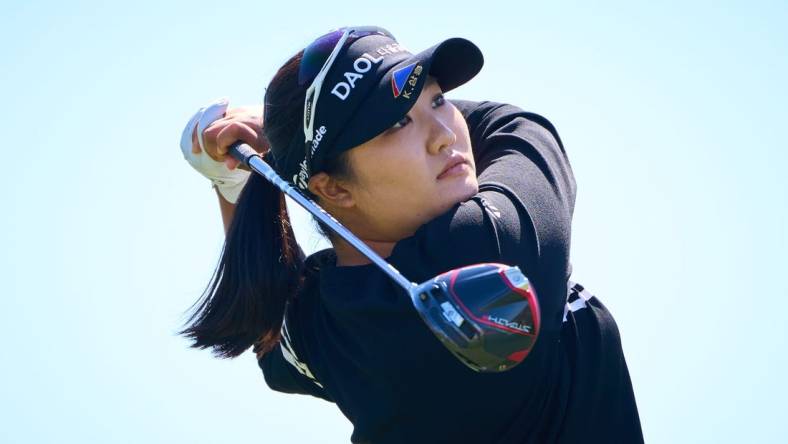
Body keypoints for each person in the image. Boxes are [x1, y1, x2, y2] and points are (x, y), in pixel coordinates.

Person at [178, 26, 643, 443]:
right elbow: (519, 129)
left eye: (438, 100)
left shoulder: (326, 323)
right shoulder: (482, 248)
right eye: (397, 123)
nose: (444, 135)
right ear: (332, 187)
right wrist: (277, 148)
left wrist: (236, 182)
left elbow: (272, 345)